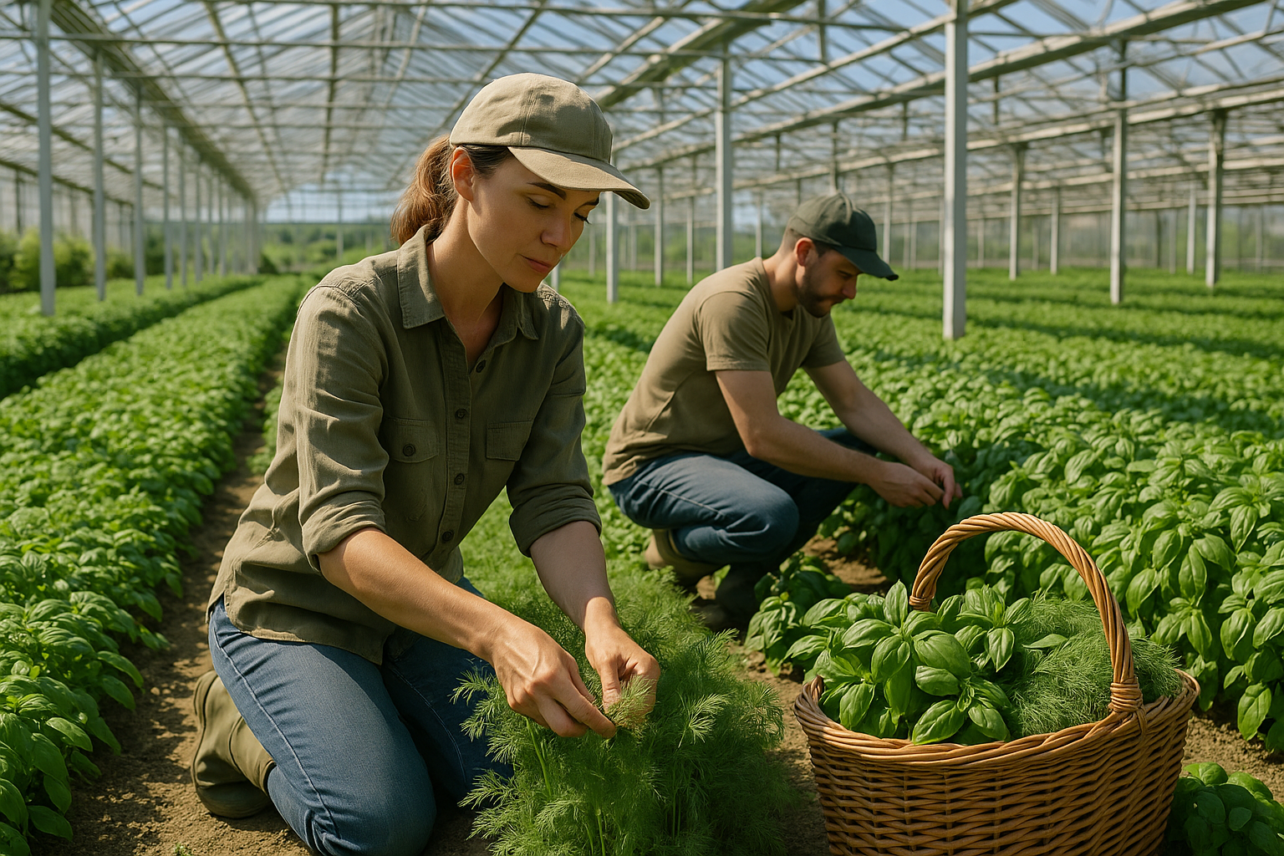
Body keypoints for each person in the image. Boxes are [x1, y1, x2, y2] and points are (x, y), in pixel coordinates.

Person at [190, 73, 660, 856]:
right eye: (541, 202)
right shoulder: (351, 310)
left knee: (532, 781)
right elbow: (339, 534)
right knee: (380, 824)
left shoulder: (552, 334)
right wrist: (497, 635)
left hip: (423, 606)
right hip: (297, 608)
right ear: (465, 176)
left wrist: (597, 619)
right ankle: (234, 719)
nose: (561, 238)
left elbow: (552, 498)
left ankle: (371, 707)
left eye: (582, 215)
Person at [601, 192, 962, 631]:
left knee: (853, 447)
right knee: (772, 515)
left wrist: (918, 457)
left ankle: (739, 596)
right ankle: (673, 555)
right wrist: (874, 473)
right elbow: (762, 435)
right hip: (650, 466)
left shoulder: (810, 311)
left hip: (720, 460)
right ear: (805, 252)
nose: (851, 292)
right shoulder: (733, 300)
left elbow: (853, 400)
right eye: (845, 274)